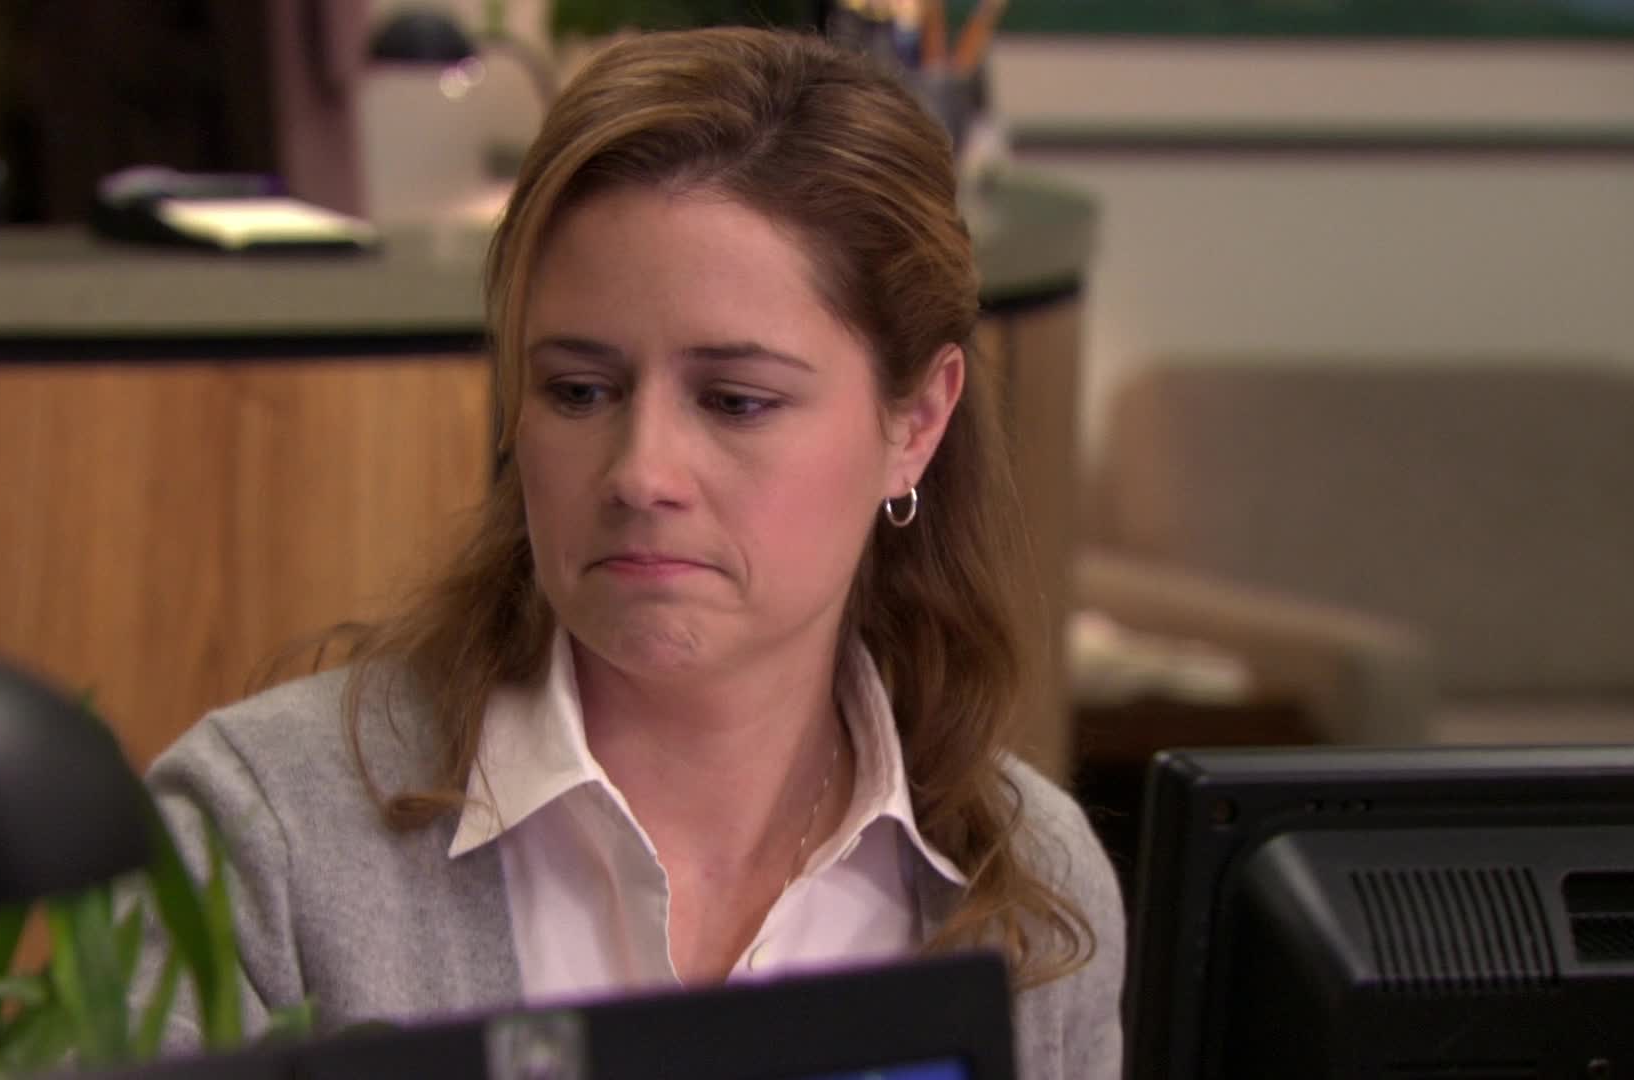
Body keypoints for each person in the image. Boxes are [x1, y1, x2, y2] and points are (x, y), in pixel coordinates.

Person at [143, 25, 1124, 1079]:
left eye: (736, 401)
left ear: (916, 423)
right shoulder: (266, 835)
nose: (640, 472)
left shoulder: (1034, 884)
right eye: (578, 391)